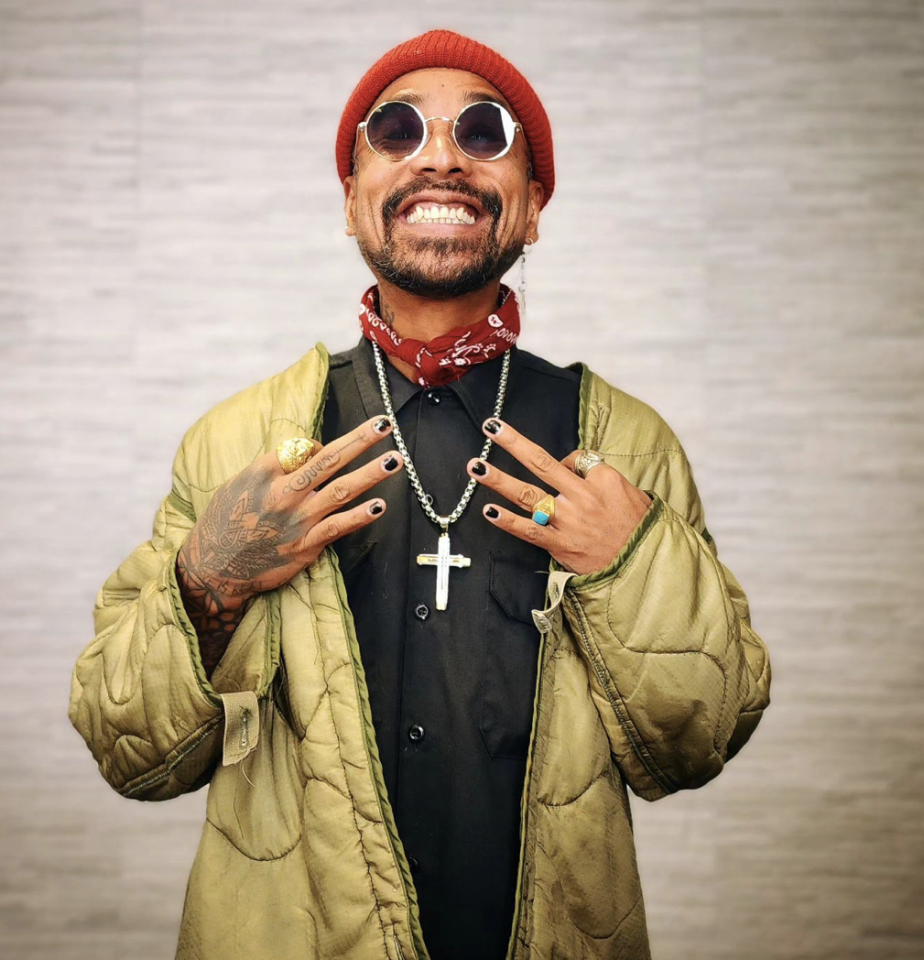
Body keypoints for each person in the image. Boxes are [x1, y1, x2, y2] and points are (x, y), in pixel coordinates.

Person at [68, 28, 772, 960]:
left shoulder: (624, 444)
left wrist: (632, 565)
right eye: (396, 130)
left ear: (531, 211)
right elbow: (133, 753)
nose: (440, 154)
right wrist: (208, 581)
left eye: (485, 133)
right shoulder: (238, 440)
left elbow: (697, 743)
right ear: (353, 202)